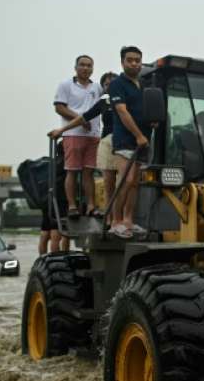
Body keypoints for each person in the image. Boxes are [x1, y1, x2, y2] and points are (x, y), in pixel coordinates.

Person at [49, 72, 117, 222]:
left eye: (113, 83)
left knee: (92, 173)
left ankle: (94, 207)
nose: (110, 86)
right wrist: (61, 131)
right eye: (106, 84)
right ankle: (74, 207)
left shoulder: (126, 100)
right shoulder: (104, 102)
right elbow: (84, 116)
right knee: (75, 171)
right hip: (99, 140)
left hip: (104, 139)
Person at [107, 46, 150, 239]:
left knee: (136, 183)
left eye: (137, 60)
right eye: (130, 60)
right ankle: (115, 222)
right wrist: (138, 134)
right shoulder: (117, 83)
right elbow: (122, 112)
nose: (134, 63)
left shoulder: (142, 84)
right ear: (122, 62)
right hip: (125, 140)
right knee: (126, 180)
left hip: (142, 142)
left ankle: (128, 221)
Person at [53, 54, 102, 218]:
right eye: (82, 65)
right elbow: (59, 108)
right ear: (76, 67)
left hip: (94, 135)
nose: (86, 68)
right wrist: (80, 120)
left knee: (89, 172)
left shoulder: (97, 88)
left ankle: (91, 206)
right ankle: (72, 206)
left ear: (93, 68)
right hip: (73, 134)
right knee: (72, 171)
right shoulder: (66, 85)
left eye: (89, 65)